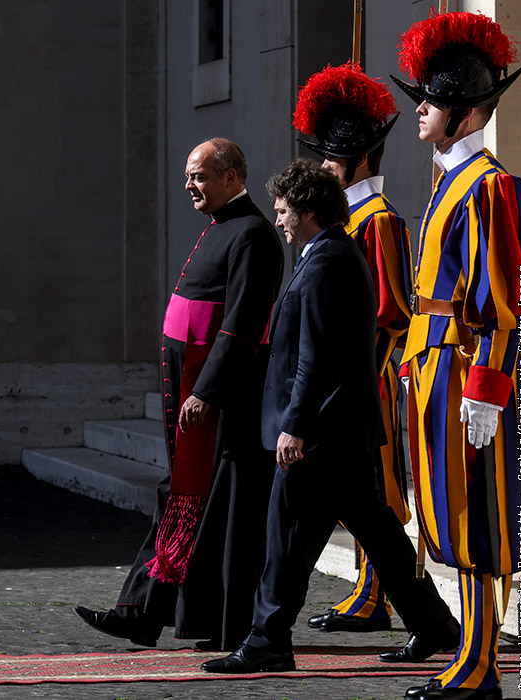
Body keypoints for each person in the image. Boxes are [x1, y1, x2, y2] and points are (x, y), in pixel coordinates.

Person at [201, 158, 459, 675]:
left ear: (308, 211)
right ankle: (434, 624)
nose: (278, 220)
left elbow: (315, 357)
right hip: (341, 429)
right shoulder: (331, 252)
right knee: (379, 533)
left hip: (320, 432)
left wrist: (294, 426)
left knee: (285, 536)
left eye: (283, 211)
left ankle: (268, 640)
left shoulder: (326, 261)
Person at [74, 138, 283, 651]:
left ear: (231, 177)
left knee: (198, 503)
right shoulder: (221, 225)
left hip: (219, 399)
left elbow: (241, 323)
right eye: (189, 176)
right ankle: (142, 613)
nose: (190, 185)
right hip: (193, 387)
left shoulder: (253, 233)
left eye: (200, 176)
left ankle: (156, 614)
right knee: (183, 498)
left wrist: (207, 390)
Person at [390, 11, 521, 700]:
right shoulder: (449, 179)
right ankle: (473, 661)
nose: (420, 108)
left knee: (479, 516)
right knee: (451, 515)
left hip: (466, 373)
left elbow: (507, 303)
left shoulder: (490, 185)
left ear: (466, 113)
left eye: (433, 99)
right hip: (434, 366)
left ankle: (480, 668)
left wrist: (487, 388)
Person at [291, 62, 416, 635]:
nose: (323, 166)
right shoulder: (351, 217)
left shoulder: (378, 220)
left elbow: (391, 314)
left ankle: (378, 596)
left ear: (360, 159)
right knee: (358, 490)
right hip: (352, 375)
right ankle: (370, 591)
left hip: (371, 376)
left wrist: (362, 376)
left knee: (376, 489)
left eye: (333, 157)